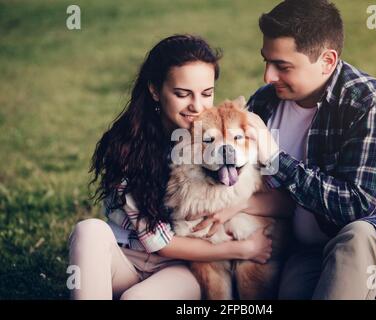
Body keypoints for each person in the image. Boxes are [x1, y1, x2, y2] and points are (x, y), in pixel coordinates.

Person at [239, 0, 376, 299]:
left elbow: (357, 207)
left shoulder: (371, 103)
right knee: (289, 290)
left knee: (357, 237)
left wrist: (276, 159)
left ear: (327, 60)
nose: (268, 77)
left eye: (282, 66)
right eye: (266, 61)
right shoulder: (264, 103)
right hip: (314, 249)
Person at [68, 34, 274, 300]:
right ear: (155, 90)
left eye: (207, 94)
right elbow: (159, 242)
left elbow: (261, 191)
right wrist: (242, 250)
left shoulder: (211, 139)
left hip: (177, 271)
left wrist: (239, 206)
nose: (197, 106)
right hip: (124, 260)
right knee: (89, 230)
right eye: (182, 94)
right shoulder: (128, 147)